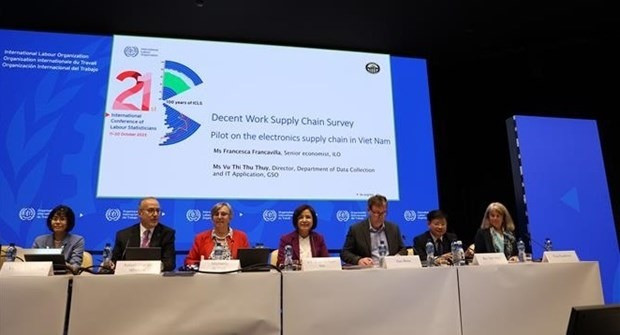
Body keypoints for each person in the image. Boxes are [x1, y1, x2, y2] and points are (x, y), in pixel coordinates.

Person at [110, 197, 176, 271]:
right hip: (129, 278)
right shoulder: (124, 235)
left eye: (158, 211)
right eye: (150, 210)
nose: (155, 214)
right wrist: (110, 264)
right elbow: (115, 261)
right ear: (139, 213)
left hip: (156, 279)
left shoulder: (167, 234)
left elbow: (170, 264)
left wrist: (150, 267)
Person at [340, 194, 407, 266]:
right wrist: (358, 260)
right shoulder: (356, 229)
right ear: (369, 211)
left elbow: (403, 249)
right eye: (377, 213)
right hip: (368, 271)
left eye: (383, 213)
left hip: (390, 270)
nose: (380, 216)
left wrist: (396, 258)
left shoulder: (393, 228)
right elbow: (345, 253)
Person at [185, 202, 250, 265]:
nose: (219, 217)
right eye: (216, 214)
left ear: (230, 217)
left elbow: (247, 262)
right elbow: (190, 261)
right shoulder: (200, 238)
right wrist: (202, 265)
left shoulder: (241, 237)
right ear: (212, 218)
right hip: (207, 275)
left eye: (223, 214)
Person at [32, 205, 84, 269]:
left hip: (66, 276)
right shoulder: (39, 241)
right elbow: (32, 265)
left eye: (62, 219)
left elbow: (75, 267)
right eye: (55, 219)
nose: (58, 222)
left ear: (69, 222)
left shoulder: (77, 240)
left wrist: (58, 264)